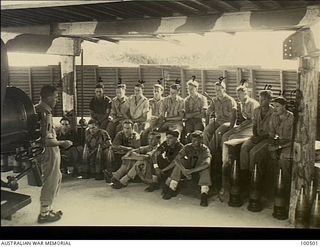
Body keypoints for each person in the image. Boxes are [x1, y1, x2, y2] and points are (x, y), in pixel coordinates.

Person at [35, 85, 73, 223]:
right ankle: (44, 214)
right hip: (48, 151)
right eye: (56, 97)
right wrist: (63, 143)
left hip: (50, 150)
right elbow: (46, 140)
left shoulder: (38, 109)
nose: (57, 100)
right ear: (49, 97)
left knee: (56, 177)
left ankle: (48, 208)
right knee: (51, 180)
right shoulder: (45, 112)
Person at [219, 85, 259, 197]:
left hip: (252, 128)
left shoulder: (253, 104)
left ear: (246, 93)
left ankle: (228, 159)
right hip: (245, 126)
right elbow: (244, 119)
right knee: (225, 135)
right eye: (238, 95)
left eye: (241, 94)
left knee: (231, 138)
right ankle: (224, 159)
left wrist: (241, 127)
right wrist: (239, 126)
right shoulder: (242, 104)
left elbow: (254, 121)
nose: (239, 96)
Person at [162, 131, 212, 207]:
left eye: (196, 141)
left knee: (205, 169)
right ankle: (172, 188)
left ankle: (204, 194)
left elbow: (207, 163)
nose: (194, 143)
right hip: (189, 168)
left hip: (199, 170)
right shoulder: (188, 147)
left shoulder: (205, 149)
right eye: (192, 140)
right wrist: (184, 170)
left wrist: (191, 171)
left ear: (201, 141)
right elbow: (176, 159)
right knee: (180, 162)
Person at [239, 90, 274, 192]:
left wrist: (260, 138)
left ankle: (253, 179)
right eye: (260, 99)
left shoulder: (273, 112)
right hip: (256, 136)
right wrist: (255, 135)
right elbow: (254, 125)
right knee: (244, 148)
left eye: (264, 99)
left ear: (269, 100)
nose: (261, 101)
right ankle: (244, 177)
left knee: (254, 153)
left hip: (268, 138)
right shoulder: (256, 110)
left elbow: (273, 132)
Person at [267, 96, 294, 210]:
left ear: (284, 106)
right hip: (279, 142)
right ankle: (273, 192)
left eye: (277, 106)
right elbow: (271, 134)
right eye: (273, 106)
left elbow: (294, 140)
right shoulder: (274, 116)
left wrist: (278, 147)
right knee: (266, 156)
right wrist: (271, 146)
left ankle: (286, 194)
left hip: (290, 144)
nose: (274, 109)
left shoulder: (292, 118)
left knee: (284, 159)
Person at [203, 77, 237, 153]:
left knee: (217, 133)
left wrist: (231, 129)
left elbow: (233, 116)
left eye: (219, 90)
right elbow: (208, 112)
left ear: (223, 89)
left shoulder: (230, 100)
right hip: (218, 121)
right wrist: (207, 125)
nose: (217, 92)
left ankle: (210, 153)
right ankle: (205, 151)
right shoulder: (215, 100)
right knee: (206, 131)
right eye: (215, 90)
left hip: (227, 122)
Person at [183, 77, 208, 143]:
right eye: (188, 89)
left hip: (199, 121)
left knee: (197, 134)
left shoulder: (203, 99)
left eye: (191, 89)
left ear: (196, 89)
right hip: (189, 121)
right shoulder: (186, 100)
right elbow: (186, 115)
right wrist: (197, 113)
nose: (189, 91)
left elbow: (203, 114)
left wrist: (192, 114)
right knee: (188, 135)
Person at [140, 81, 164, 146]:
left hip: (161, 121)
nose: (155, 93)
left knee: (153, 131)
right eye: (154, 91)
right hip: (151, 121)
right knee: (144, 134)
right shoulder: (150, 101)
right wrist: (150, 117)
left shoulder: (164, 101)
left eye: (157, 91)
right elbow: (148, 112)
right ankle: (146, 147)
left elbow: (164, 114)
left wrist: (157, 118)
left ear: (161, 92)